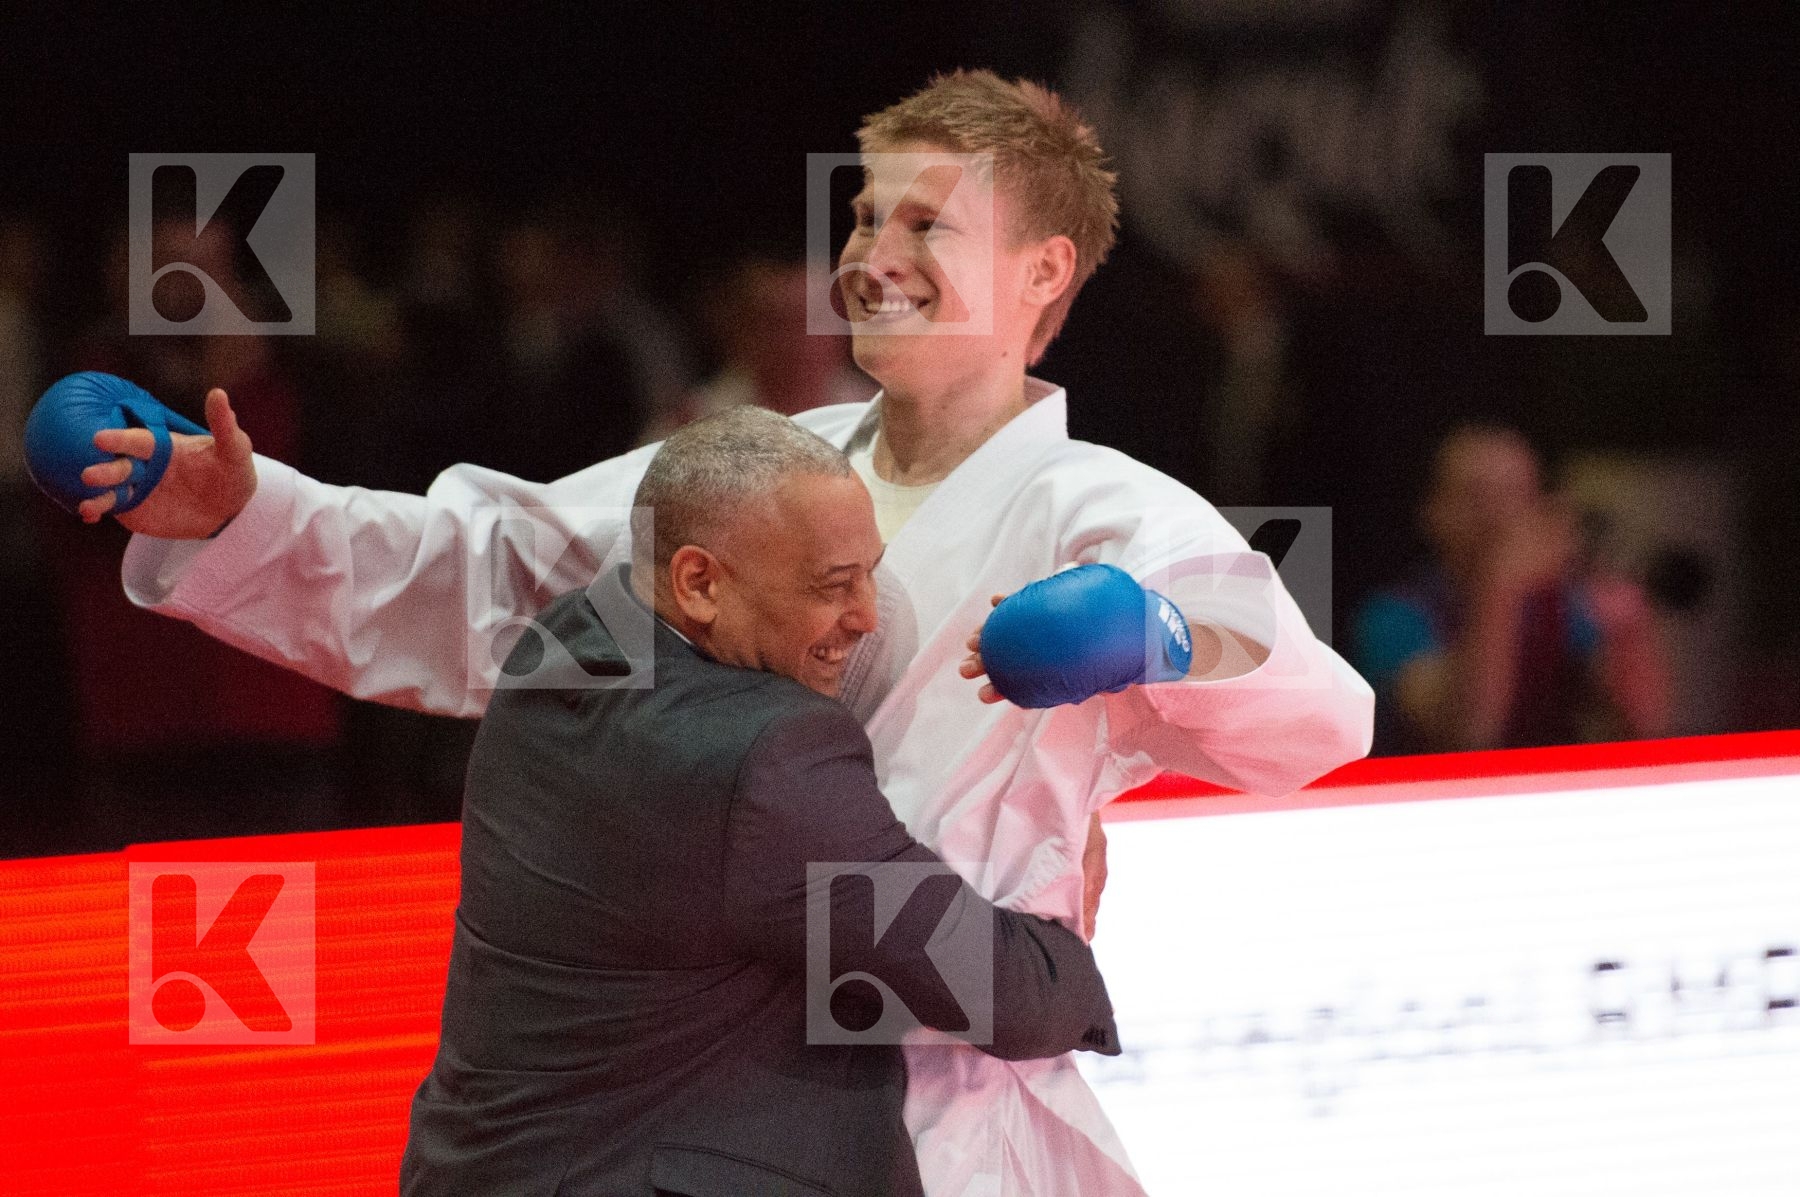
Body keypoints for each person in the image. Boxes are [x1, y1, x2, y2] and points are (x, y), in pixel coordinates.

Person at [81, 71, 1373, 1194]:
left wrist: (1157, 637)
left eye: (927, 222)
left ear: (1043, 270)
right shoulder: (765, 469)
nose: (873, 249)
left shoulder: (1107, 509)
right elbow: (492, 569)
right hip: (715, 1077)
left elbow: (1324, 716)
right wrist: (246, 511)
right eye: (867, 214)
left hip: (957, 1090)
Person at [401, 407, 1118, 1195]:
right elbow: (998, 992)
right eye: (832, 585)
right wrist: (1065, 926)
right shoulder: (767, 759)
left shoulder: (566, 638)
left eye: (872, 571)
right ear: (699, 582)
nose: (868, 616)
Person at [1352, 424, 1670, 754]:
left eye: (1517, 496)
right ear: (1434, 511)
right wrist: (1499, 587)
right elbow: (1468, 738)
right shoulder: (1392, 617)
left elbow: (1642, 730)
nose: (1501, 517)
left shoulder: (1566, 608)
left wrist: (1629, 628)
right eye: (1477, 498)